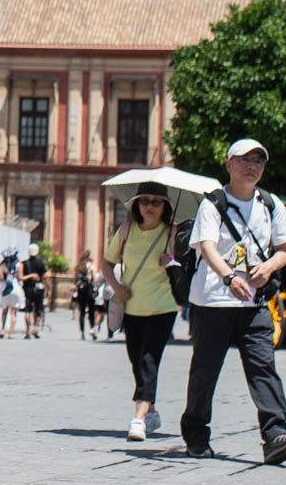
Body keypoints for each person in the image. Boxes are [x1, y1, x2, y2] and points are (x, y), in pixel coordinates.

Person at [181, 139, 286, 465]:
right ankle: (196, 435)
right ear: (229, 164)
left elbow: (283, 250)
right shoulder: (213, 203)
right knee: (205, 372)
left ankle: (275, 434)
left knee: (263, 366)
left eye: (258, 161)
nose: (251, 166)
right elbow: (207, 247)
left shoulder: (270, 203)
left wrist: (269, 266)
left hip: (253, 304)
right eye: (244, 160)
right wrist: (229, 277)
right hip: (213, 301)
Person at [102, 182, 180, 442]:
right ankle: (152, 410)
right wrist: (116, 286)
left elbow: (188, 264)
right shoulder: (125, 230)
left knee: (148, 360)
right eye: (145, 201)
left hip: (163, 306)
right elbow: (107, 262)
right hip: (132, 306)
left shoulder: (172, 233)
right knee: (137, 361)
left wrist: (171, 261)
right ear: (136, 204)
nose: (149, 206)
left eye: (156, 202)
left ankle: (138, 418)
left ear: (165, 207)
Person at [18, 243, 48, 338]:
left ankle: (27, 331)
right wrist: (49, 288)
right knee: (38, 310)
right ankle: (35, 329)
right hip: (39, 289)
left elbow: (20, 277)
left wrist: (29, 276)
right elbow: (45, 277)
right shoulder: (41, 263)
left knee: (27, 310)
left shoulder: (23, 263)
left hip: (27, 289)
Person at [0, 248, 22, 339]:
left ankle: (2, 330)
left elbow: (0, 278)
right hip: (16, 289)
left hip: (5, 288)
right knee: (14, 312)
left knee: (4, 311)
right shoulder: (19, 264)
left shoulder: (2, 264)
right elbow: (20, 278)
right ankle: (11, 333)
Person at [74, 249, 99, 341]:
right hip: (89, 290)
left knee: (82, 312)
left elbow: (75, 280)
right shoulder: (92, 266)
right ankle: (92, 329)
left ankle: (82, 333)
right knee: (91, 311)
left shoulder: (78, 266)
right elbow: (95, 279)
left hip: (81, 291)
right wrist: (96, 290)